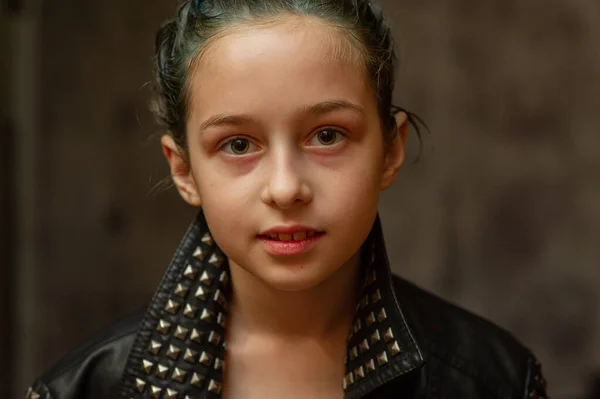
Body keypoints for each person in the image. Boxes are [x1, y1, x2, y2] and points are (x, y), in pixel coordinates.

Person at [25, 0, 549, 398]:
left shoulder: (493, 378)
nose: (285, 188)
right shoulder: (84, 387)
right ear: (184, 170)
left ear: (391, 151)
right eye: (237, 144)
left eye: (327, 135)